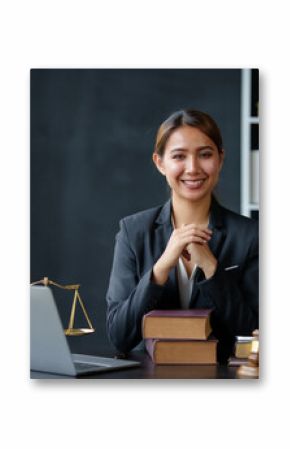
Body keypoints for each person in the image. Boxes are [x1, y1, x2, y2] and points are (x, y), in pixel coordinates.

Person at [106, 109, 259, 363]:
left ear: (220, 159)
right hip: (150, 382)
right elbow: (119, 336)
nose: (193, 168)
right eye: (179, 156)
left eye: (205, 154)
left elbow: (254, 334)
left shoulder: (251, 235)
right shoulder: (133, 233)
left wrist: (211, 268)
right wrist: (160, 268)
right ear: (160, 163)